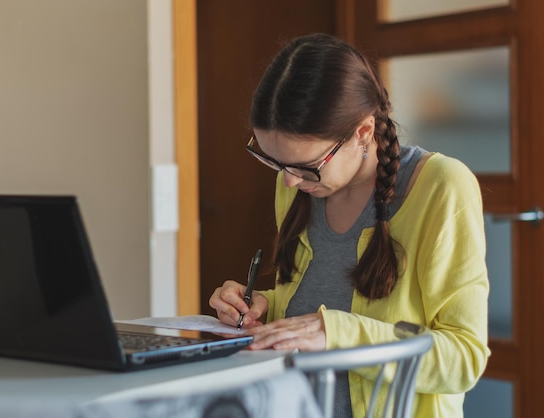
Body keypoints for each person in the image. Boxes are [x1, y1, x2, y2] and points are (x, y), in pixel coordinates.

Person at [209, 33, 490, 418]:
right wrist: (261, 306)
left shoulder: (441, 186)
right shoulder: (297, 184)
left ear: (362, 133)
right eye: (274, 162)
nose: (289, 181)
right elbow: (321, 304)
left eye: (305, 166)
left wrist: (340, 335)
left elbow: (463, 360)